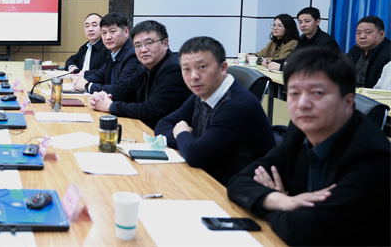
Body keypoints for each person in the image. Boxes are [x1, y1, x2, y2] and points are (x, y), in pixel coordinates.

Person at [227, 48, 390, 246]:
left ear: (348, 101)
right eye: (294, 93)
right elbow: (239, 181)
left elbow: (303, 232)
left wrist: (271, 203)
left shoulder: (373, 158)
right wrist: (282, 201)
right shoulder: (301, 130)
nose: (302, 104)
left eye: (317, 93)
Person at [154, 36, 275, 185]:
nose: (194, 76)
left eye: (202, 67)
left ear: (223, 68)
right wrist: (191, 143)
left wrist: (182, 133)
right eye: (186, 69)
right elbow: (163, 124)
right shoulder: (202, 93)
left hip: (237, 187)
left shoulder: (236, 105)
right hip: (208, 176)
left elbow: (195, 155)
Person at [88, 20, 188, 129]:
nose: (143, 50)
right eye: (138, 45)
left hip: (168, 133)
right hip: (145, 129)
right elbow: (123, 90)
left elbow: (150, 110)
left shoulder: (174, 69)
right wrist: (102, 97)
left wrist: (110, 106)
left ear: (165, 43)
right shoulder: (144, 68)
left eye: (149, 43)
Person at [72, 12, 139, 94]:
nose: (107, 37)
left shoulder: (133, 55)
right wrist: (83, 80)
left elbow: (120, 89)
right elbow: (100, 75)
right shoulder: (113, 54)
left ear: (126, 31)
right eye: (104, 33)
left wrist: (87, 86)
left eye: (112, 31)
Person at [266, 7, 340, 71]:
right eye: (300, 22)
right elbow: (292, 58)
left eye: (307, 21)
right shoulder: (303, 38)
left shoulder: (326, 42)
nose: (303, 25)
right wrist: (272, 62)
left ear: (318, 22)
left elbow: (315, 66)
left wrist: (281, 67)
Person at [345, 15, 390, 88]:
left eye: (368, 32)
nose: (362, 36)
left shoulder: (388, 54)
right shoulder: (355, 50)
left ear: (382, 34)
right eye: (358, 33)